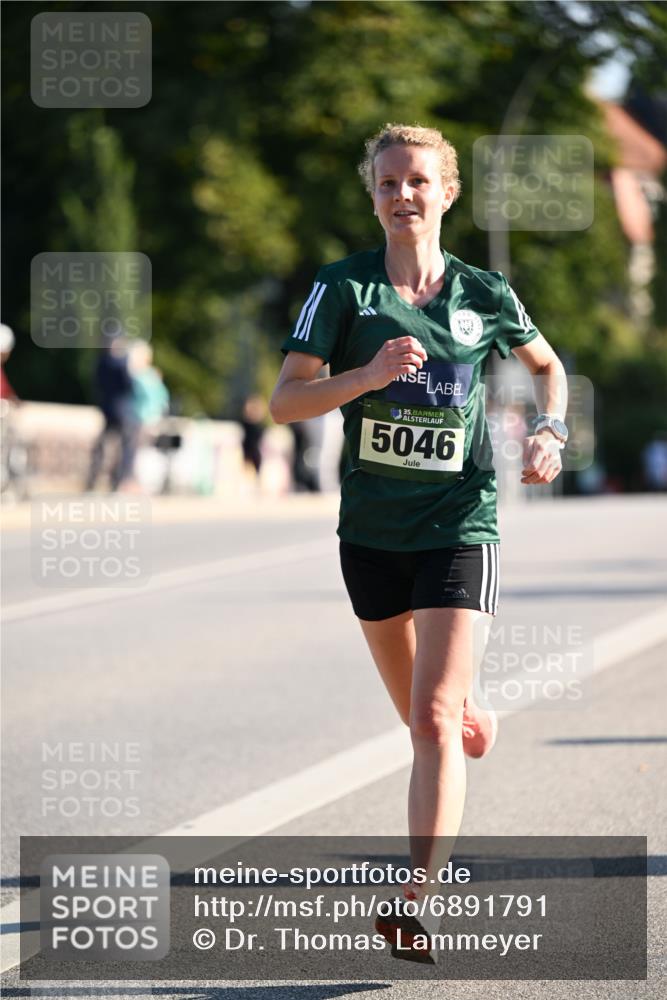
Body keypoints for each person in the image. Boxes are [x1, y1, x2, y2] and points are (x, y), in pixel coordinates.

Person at [270, 123, 568, 964]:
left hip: (458, 523)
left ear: (447, 193)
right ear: (372, 196)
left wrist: (549, 430)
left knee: (432, 718)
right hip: (370, 533)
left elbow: (546, 367)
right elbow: (284, 402)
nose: (402, 195)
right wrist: (366, 377)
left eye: (417, 181)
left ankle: (416, 902)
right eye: (387, 183)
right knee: (423, 718)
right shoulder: (343, 289)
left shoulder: (484, 292)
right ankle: (470, 710)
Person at [84, 334, 140, 492]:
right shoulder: (121, 363)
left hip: (107, 409)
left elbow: (97, 384)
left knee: (102, 447)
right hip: (122, 412)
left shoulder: (101, 362)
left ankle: (93, 480)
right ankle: (117, 481)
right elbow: (129, 385)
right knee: (125, 449)